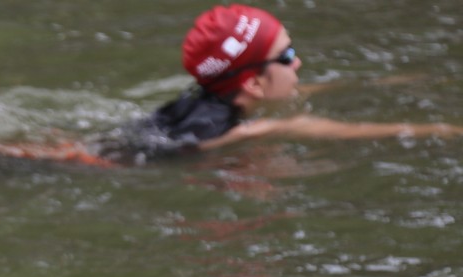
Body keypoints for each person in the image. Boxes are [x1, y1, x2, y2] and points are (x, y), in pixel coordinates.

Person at [98, 5, 463, 163]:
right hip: (108, 163)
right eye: (287, 56)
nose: (298, 62)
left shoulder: (210, 94)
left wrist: (386, 83)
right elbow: (338, 129)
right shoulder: (243, 130)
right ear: (255, 85)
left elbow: (300, 91)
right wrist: (442, 131)